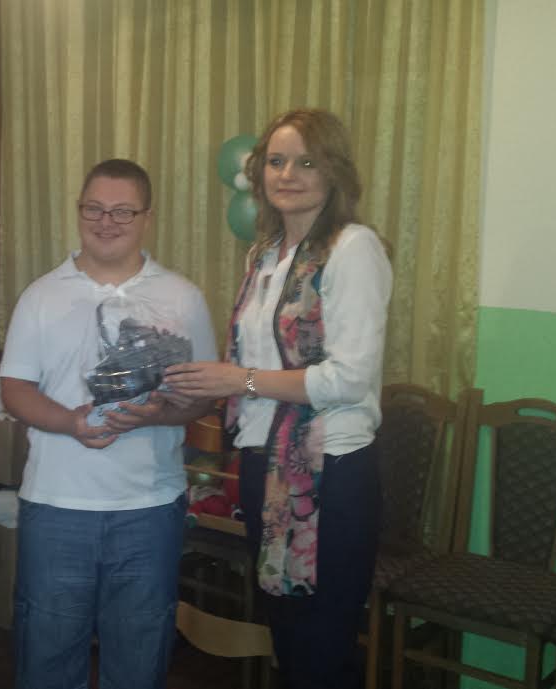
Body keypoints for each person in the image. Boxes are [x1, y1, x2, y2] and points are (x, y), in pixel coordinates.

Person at [165, 108, 392, 689]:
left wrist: (237, 381)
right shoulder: (265, 255)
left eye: (306, 161)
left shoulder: (353, 248)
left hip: (330, 470)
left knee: (322, 643)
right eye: (276, 161)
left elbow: (347, 379)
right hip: (263, 462)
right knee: (286, 634)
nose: (288, 174)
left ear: (334, 171)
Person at [0, 159, 217, 689]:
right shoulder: (41, 295)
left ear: (147, 217)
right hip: (57, 504)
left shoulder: (182, 298)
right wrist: (69, 422)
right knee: (46, 653)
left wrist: (161, 413)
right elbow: (14, 390)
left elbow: (202, 397)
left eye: (122, 211)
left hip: (149, 506)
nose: (106, 221)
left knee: (140, 653)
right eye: (93, 209)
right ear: (79, 212)